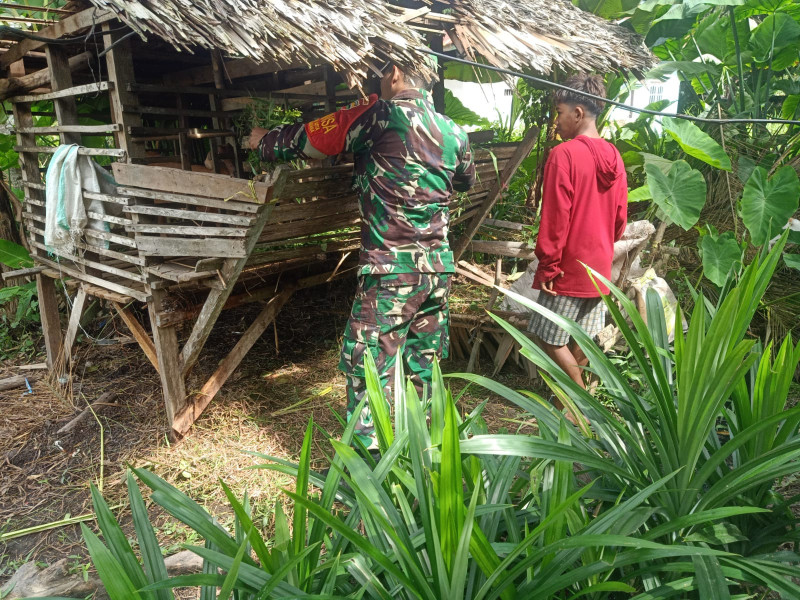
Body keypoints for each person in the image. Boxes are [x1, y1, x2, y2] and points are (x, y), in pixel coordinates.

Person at [249, 61, 475, 450]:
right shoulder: (454, 131)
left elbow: (312, 139)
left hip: (391, 269)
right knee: (423, 367)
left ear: (396, 73)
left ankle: (371, 474)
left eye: (380, 75)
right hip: (437, 269)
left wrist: (263, 140)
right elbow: (466, 179)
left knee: (368, 365)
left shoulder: (378, 115)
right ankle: (423, 455)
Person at [529, 73, 627, 416]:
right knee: (578, 342)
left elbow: (555, 220)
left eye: (560, 113)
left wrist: (548, 267)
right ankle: (566, 409)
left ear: (578, 112)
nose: (557, 122)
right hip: (600, 268)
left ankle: (578, 407)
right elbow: (619, 221)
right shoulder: (615, 157)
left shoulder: (564, 155)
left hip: (569, 269)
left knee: (545, 335)